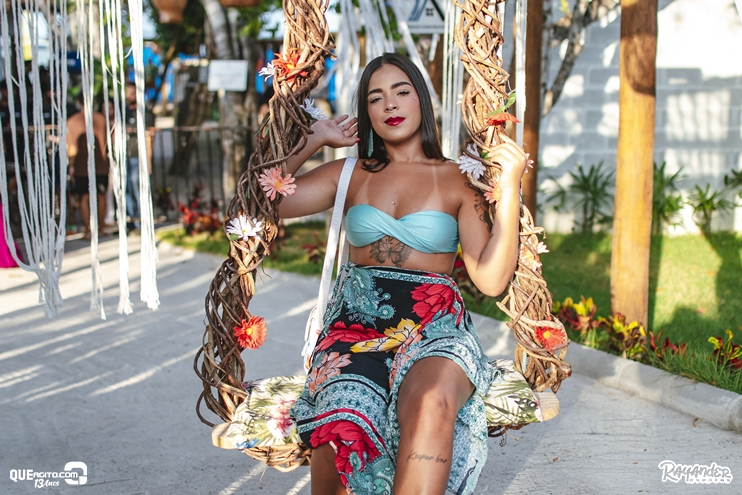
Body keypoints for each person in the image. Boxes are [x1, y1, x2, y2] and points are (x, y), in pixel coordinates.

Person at [281, 53, 527, 495]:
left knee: (432, 400)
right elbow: (266, 201)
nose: (390, 104)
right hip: (356, 328)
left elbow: (490, 280)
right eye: (375, 98)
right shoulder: (350, 174)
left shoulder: (459, 178)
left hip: (434, 329)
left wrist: (508, 191)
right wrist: (314, 140)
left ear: (421, 101)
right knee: (341, 414)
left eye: (401, 92)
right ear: (366, 113)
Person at [66, 92, 109, 240]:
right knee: (100, 195)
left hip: (81, 166)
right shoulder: (102, 119)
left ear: (78, 103)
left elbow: (71, 148)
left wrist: (71, 164)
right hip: (101, 164)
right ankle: (100, 228)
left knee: (84, 196)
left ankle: (87, 230)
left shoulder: (72, 121)